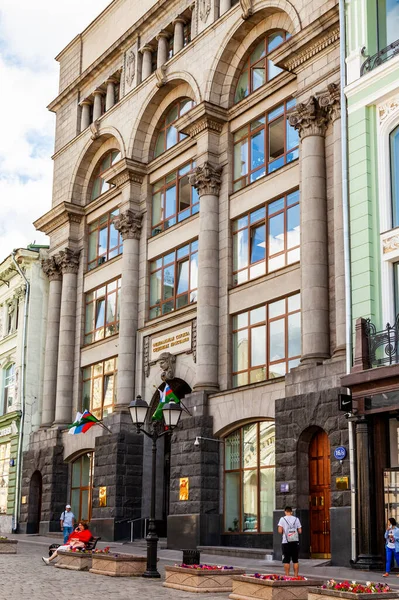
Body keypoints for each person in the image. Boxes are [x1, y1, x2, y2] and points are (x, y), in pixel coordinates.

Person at [278, 506, 302, 576]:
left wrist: (285, 531)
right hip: (295, 542)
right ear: (291, 512)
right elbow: (300, 531)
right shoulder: (296, 519)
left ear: (285, 512)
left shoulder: (282, 519)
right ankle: (296, 576)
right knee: (295, 560)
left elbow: (279, 531)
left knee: (286, 560)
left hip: (286, 542)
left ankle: (287, 575)